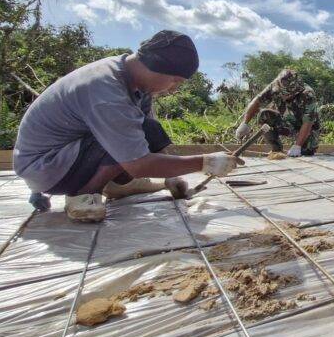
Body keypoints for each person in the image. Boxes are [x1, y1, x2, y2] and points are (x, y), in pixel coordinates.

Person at [13, 30, 244, 222]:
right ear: (156, 66)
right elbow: (138, 165)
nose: (174, 89)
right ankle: (84, 194)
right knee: (122, 139)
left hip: (65, 158)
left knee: (148, 128)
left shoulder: (134, 81)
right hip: (45, 167)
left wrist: (172, 177)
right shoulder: (107, 91)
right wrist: (206, 162)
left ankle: (109, 184)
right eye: (175, 80)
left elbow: (148, 132)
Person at [236, 68, 320, 157]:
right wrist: (244, 123)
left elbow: (308, 123)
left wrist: (297, 146)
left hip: (306, 130)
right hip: (288, 124)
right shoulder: (274, 86)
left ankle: (302, 147)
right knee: (264, 115)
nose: (283, 96)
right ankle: (276, 150)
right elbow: (257, 101)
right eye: (282, 93)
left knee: (306, 152)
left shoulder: (308, 94)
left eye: (287, 94)